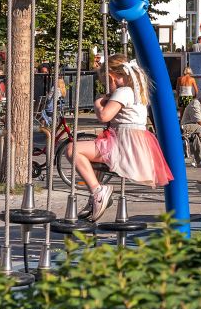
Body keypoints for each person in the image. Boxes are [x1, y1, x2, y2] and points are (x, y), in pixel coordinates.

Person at [67, 54, 174, 221]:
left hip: (124, 143)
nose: (106, 88)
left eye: (105, 83)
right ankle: (95, 197)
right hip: (133, 141)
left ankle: (97, 192)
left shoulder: (123, 92)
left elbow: (104, 116)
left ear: (112, 77)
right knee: (92, 159)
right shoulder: (137, 91)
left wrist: (98, 102)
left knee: (73, 150)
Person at [181, 84, 201, 163]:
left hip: (196, 128)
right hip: (186, 127)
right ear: (200, 94)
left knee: (196, 136)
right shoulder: (195, 103)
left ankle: (200, 161)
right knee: (199, 128)